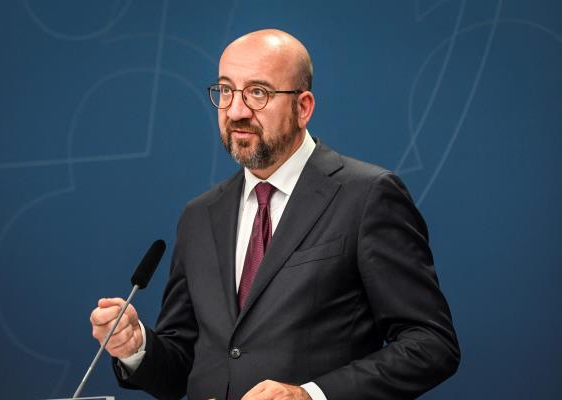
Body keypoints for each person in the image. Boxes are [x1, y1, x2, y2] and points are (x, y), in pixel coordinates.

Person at [90, 29, 460, 400]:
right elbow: (181, 369)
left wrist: (311, 395)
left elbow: (431, 344)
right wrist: (136, 348)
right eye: (226, 91)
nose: (235, 111)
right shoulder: (199, 216)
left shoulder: (367, 195)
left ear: (303, 107)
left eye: (257, 93)